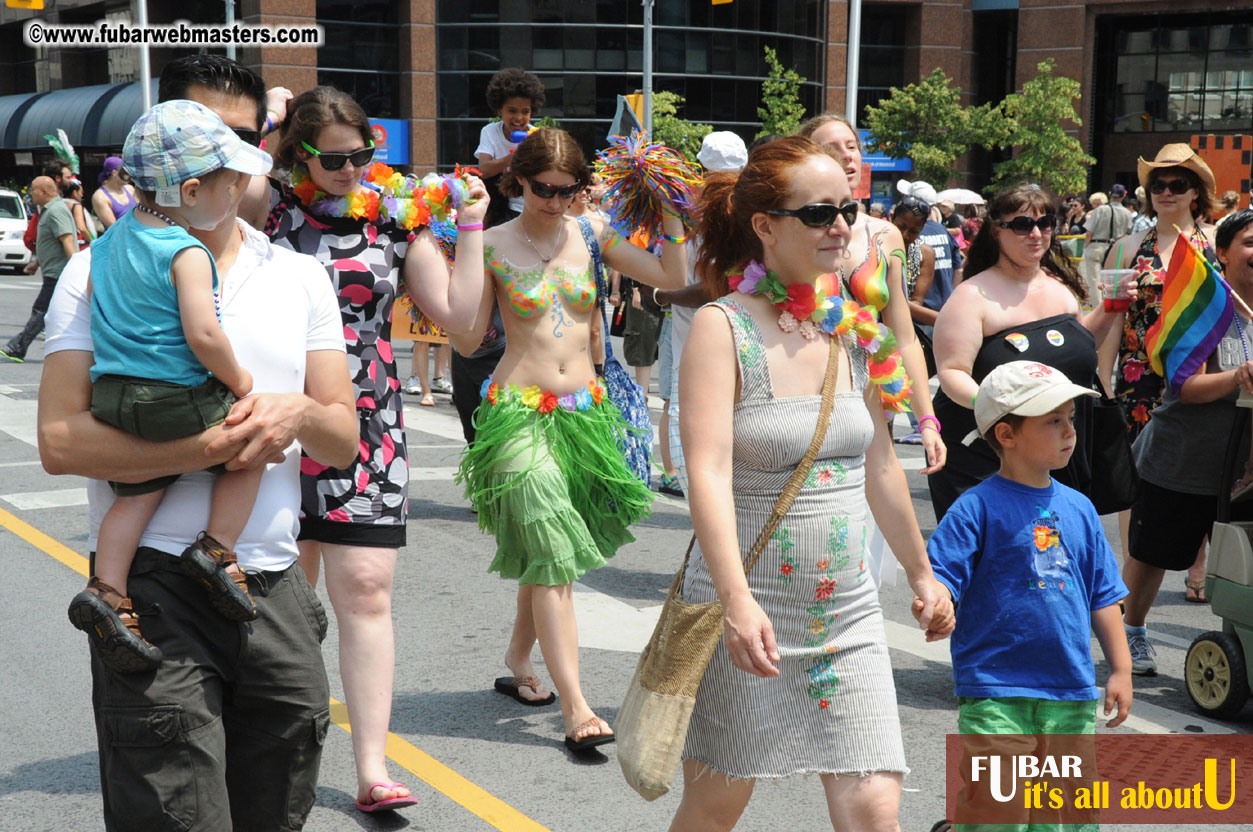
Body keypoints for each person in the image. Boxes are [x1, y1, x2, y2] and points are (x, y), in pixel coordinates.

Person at [38, 54, 359, 830]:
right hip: (152, 588)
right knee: (174, 810)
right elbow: (59, 440)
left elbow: (343, 438)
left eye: (244, 138)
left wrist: (292, 416)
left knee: (279, 794)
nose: (232, 166)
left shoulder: (299, 277)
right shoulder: (93, 271)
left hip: (269, 583)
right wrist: (213, 445)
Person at [669, 135, 953, 832]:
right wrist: (735, 601)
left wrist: (922, 572)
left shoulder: (850, 328)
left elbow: (880, 464)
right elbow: (703, 472)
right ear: (765, 225)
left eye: (848, 209)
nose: (840, 226)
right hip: (748, 608)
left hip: (846, 614)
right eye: (818, 213)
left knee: (873, 807)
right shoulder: (721, 328)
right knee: (715, 807)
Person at [264, 84, 489, 811]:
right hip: (275, 419)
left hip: (366, 423)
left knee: (364, 590)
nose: (351, 168)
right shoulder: (266, 214)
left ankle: (371, 767)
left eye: (362, 154)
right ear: (300, 154)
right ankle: (274, 752)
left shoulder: (395, 218)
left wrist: (472, 228)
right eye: (333, 159)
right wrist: (265, 131)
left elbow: (459, 322)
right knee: (279, 600)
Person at [454, 127, 688, 750]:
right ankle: (577, 707)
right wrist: (464, 238)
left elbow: (675, 275)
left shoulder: (593, 234)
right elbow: (466, 337)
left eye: (567, 190)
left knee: (549, 543)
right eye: (541, 190)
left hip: (585, 413)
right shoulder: (494, 241)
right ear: (517, 181)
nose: (554, 202)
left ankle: (517, 655)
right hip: (516, 413)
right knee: (554, 547)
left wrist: (665, 207)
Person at [66, 99, 274, 673]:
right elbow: (203, 335)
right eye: (229, 185)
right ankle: (215, 551)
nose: (237, 194)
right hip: (172, 395)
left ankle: (106, 590)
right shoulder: (187, 251)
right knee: (255, 441)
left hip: (113, 398)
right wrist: (240, 379)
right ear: (188, 193)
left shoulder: (105, 246)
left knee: (138, 493)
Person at [928, 361, 1131, 828]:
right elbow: (941, 574)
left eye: (1070, 418)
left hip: (1070, 690)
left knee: (1065, 815)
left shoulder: (1079, 508)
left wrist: (1120, 668)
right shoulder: (976, 506)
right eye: (1052, 421)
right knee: (1000, 808)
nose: (1068, 431)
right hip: (996, 688)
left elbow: (1103, 595)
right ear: (1006, 434)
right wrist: (936, 602)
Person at [928, 183, 1128, 521]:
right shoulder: (971, 296)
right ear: (996, 232)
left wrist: (1109, 309)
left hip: (1056, 449)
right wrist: (999, 409)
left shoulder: (1059, 285)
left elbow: (1078, 347)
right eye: (1022, 225)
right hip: (990, 456)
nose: (1036, 233)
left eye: (1045, 223)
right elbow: (951, 373)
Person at [1119, 210, 1253, 675]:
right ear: (1224, 252)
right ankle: (1130, 632)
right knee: (1153, 557)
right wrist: (1239, 376)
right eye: (1250, 243)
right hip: (1180, 462)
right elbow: (1184, 386)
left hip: (1242, 474)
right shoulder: (1202, 306)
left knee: (1240, 566)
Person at [1096, 145, 1219, 607]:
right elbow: (1113, 318)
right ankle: (1132, 580)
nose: (1166, 193)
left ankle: (1198, 568)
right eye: (1158, 185)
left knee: (1198, 469)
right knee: (1138, 479)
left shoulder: (1215, 246)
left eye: (1177, 184)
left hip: (1200, 374)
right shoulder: (1128, 247)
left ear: (1196, 193)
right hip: (1138, 378)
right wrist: (1104, 380)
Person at [798, 114, 947, 475]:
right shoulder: (790, 228)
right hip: (802, 394)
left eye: (852, 147)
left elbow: (904, 336)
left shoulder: (886, 235)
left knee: (878, 491)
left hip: (868, 399)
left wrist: (926, 419)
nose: (846, 156)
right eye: (831, 148)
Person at [653, 130, 749, 496]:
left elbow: (715, 286)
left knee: (688, 411)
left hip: (709, 332)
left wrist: (664, 295)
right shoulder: (718, 208)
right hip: (727, 334)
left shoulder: (720, 214)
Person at [0, 175, 76, 363]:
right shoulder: (48, 210)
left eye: (33, 189)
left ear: (43, 191)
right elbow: (50, 243)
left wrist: (75, 270)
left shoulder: (56, 211)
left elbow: (67, 240)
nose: (30, 193)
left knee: (41, 311)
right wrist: (37, 263)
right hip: (54, 272)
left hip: (59, 274)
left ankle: (17, 347)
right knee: (52, 313)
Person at [476, 67, 546, 228]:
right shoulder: (490, 132)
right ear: (500, 110)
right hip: (501, 208)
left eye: (525, 111)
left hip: (531, 208)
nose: (519, 118)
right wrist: (515, 157)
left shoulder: (536, 136)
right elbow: (484, 170)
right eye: (512, 111)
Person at [1080, 184, 1133, 305]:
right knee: (1109, 281)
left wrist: (1087, 246)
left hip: (1096, 246)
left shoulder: (1101, 209)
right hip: (1115, 249)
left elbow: (1089, 232)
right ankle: (1107, 303)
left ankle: (1099, 308)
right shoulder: (1127, 213)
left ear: (1110, 194)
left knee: (1095, 281)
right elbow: (1128, 233)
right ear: (1124, 196)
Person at [91, 156, 138, 228]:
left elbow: (142, 212)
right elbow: (114, 227)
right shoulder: (100, 197)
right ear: (114, 173)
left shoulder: (130, 189)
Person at [63, 179, 94, 247]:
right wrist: (92, 241)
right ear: (75, 193)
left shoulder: (59, 205)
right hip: (78, 244)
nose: (82, 195)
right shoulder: (76, 206)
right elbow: (81, 228)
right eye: (81, 192)